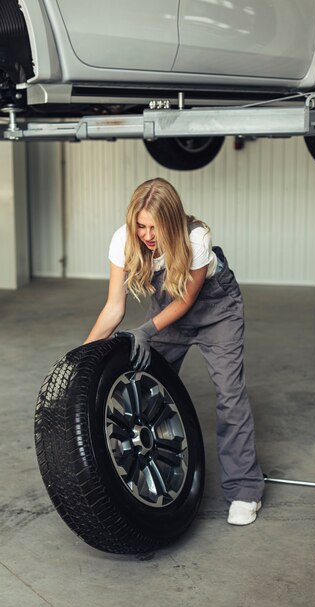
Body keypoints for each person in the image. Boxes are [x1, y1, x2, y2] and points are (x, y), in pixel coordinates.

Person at [84, 177, 264, 525]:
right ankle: (159, 474)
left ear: (171, 221)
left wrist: (147, 331)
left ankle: (244, 489)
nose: (147, 234)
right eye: (140, 225)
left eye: (155, 226)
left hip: (216, 310)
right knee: (148, 390)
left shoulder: (196, 238)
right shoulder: (123, 239)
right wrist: (81, 359)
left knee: (230, 395)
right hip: (169, 312)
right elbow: (113, 308)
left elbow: (187, 301)